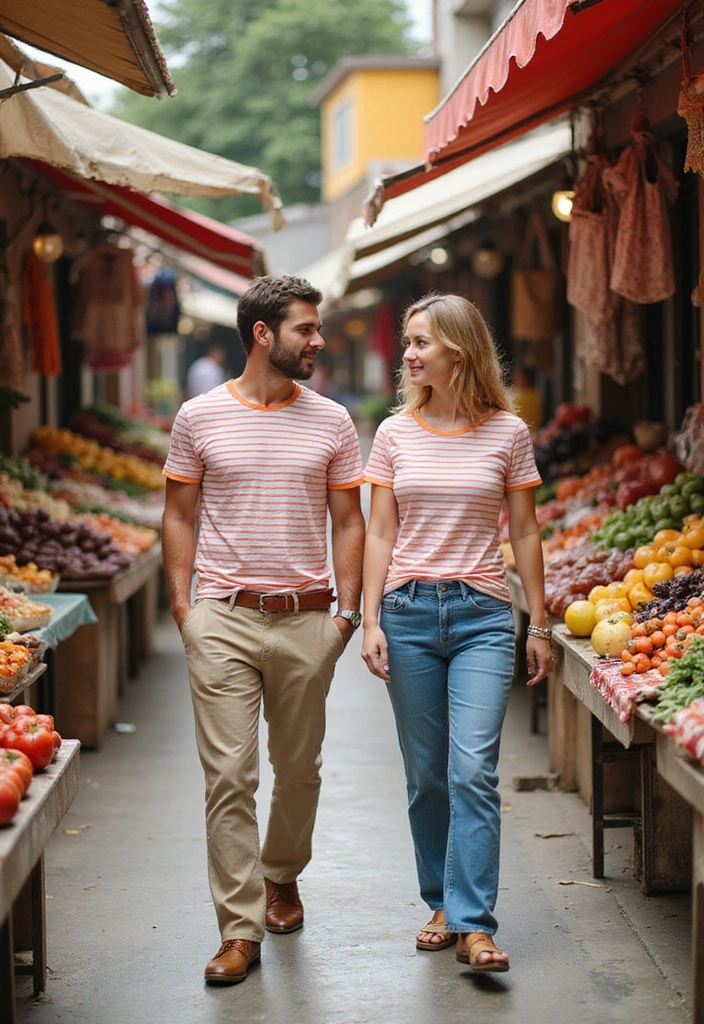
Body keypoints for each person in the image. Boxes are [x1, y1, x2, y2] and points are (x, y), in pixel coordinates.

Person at [162, 275, 365, 985]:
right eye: (306, 328)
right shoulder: (198, 416)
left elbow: (349, 521)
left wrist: (346, 615)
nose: (318, 340)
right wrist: (185, 610)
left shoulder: (332, 421)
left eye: (316, 328)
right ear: (262, 334)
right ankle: (238, 930)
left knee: (299, 769)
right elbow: (179, 514)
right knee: (228, 776)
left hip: (308, 617)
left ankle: (282, 872)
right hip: (221, 617)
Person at [361, 293, 551, 974]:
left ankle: (474, 924)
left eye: (421, 342)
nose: (408, 354)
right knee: (426, 777)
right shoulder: (394, 434)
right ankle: (441, 902)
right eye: (408, 342)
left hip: (482, 617)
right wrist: (370, 619)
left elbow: (524, 531)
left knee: (472, 770)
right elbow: (380, 531)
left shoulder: (508, 432)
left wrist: (539, 622)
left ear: (458, 351)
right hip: (407, 613)